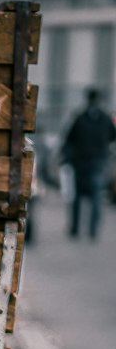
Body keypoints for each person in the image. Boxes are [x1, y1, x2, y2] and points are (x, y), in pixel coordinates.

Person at [60, 88, 116, 239]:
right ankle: (86, 229)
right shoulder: (102, 118)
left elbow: (69, 139)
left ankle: (83, 229)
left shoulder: (81, 117)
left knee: (86, 196)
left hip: (90, 161)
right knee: (90, 196)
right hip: (88, 161)